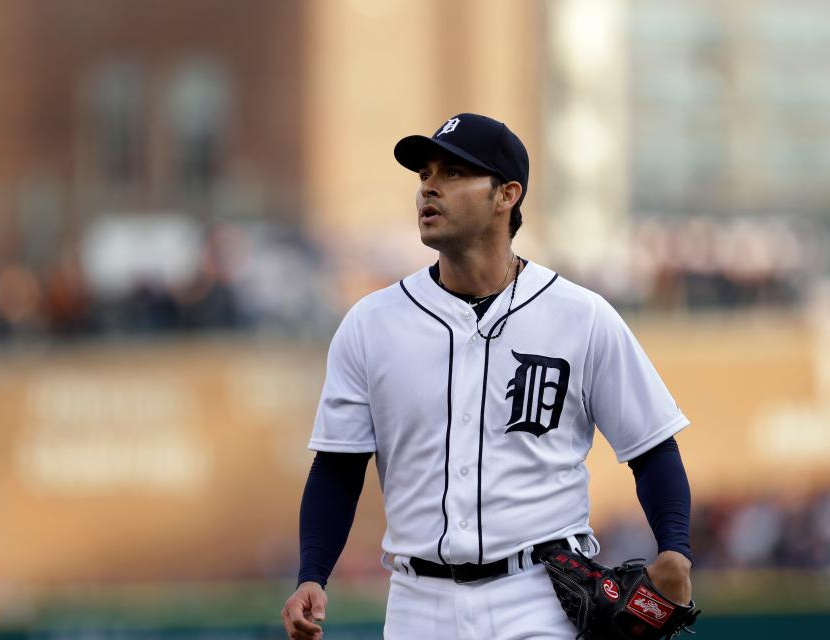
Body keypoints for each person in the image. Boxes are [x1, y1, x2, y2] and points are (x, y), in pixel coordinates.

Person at [282, 113, 693, 640]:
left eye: (453, 172)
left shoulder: (581, 316)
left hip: (541, 595)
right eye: (424, 174)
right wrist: (310, 574)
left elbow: (653, 446)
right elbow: (338, 467)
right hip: (416, 601)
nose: (429, 186)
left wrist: (676, 551)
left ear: (507, 195)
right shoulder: (372, 323)